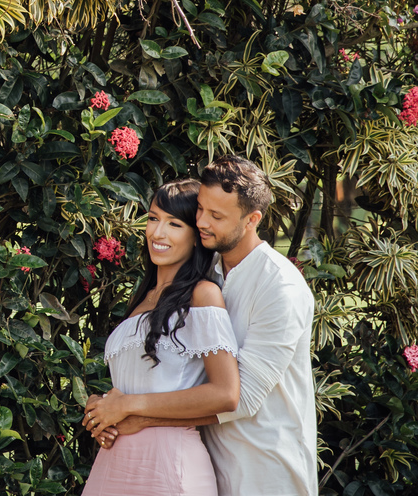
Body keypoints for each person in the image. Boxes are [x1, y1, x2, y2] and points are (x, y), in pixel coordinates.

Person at [90, 155, 318, 496]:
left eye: (217, 216)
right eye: (200, 210)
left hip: (266, 469)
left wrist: (135, 414)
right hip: (207, 464)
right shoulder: (206, 270)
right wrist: (113, 412)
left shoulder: (279, 286)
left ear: (252, 220)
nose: (202, 223)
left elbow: (242, 398)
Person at [80, 179, 240, 495]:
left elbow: (226, 395)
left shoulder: (203, 295)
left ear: (197, 236)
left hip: (169, 467)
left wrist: (129, 406)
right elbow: (139, 382)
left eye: (174, 224)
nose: (158, 233)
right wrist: (101, 410)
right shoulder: (144, 297)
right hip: (114, 462)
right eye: (153, 219)